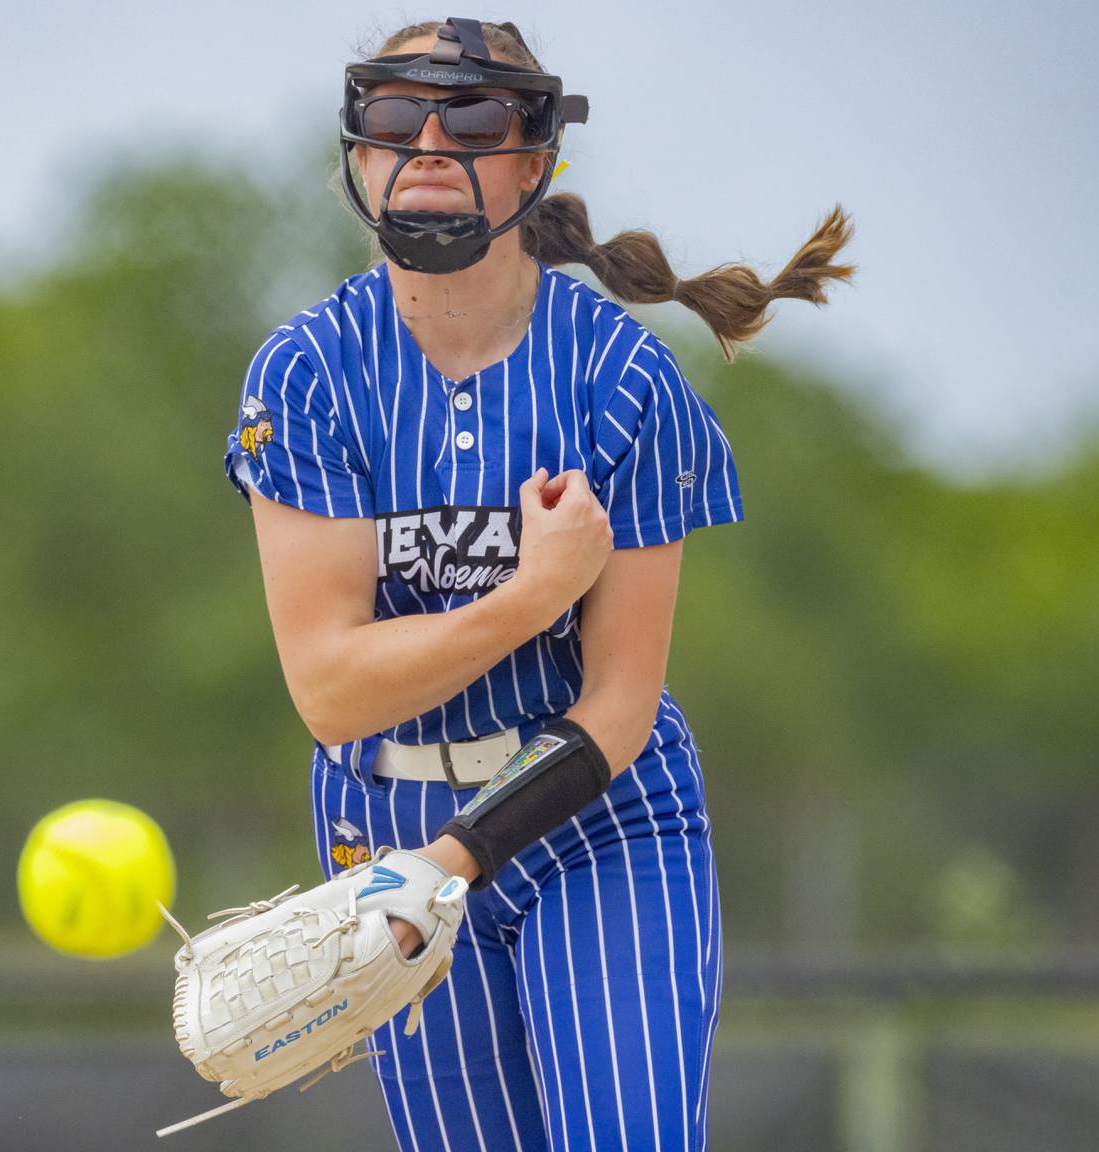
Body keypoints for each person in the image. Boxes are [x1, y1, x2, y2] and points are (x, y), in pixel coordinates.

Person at [221, 17, 854, 1151]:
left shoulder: (623, 380)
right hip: (384, 823)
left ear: (537, 158)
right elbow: (330, 690)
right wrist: (526, 595)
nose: (426, 138)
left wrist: (455, 861)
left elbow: (616, 707)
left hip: (600, 822)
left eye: (470, 115)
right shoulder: (307, 375)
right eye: (391, 113)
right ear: (356, 156)